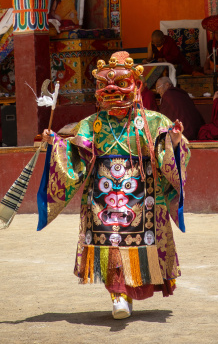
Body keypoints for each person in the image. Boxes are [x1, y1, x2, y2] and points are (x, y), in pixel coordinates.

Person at [39, 50, 190, 320]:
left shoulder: (154, 121)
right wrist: (56, 144)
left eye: (120, 84)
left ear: (136, 86)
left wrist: (175, 141)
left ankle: (130, 292)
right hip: (103, 195)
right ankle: (117, 295)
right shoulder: (92, 124)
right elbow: (76, 152)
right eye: (105, 86)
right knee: (111, 245)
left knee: (139, 246)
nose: (112, 91)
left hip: (143, 196)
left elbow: (171, 152)